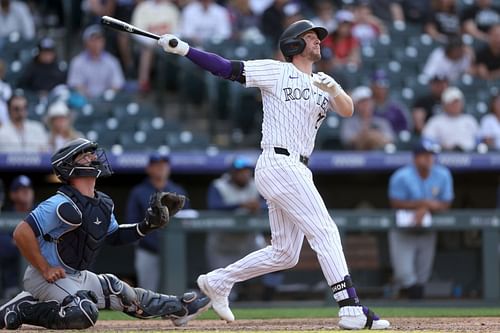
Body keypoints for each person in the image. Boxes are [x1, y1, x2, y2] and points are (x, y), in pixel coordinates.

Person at [156, 19, 391, 329]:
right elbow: (226, 68)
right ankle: (350, 308)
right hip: (279, 161)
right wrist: (186, 50)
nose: (318, 41)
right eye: (310, 37)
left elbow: (347, 110)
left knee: (285, 254)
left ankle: (219, 280)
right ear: (294, 44)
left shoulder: (323, 82)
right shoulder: (277, 70)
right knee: (325, 231)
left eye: (317, 37)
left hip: (297, 167)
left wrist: (334, 88)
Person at [0, 138, 210, 330]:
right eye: (85, 155)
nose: (93, 157)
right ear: (70, 167)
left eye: (92, 153)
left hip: (75, 275)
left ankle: (180, 308)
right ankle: (24, 309)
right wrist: (45, 268)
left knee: (119, 289)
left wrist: (147, 225)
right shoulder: (60, 203)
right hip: (46, 277)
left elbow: (114, 236)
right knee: (83, 312)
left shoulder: (102, 202)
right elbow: (21, 233)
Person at [206, 157, 280, 301]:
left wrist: (259, 206)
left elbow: (271, 203)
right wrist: (241, 205)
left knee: (277, 262)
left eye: (246, 171)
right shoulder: (219, 185)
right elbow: (214, 206)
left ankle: (267, 300)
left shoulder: (256, 185)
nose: (244, 175)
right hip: (223, 246)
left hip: (248, 242)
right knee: (224, 291)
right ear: (232, 173)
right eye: (239, 172)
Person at [388, 141, 454, 299]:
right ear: (416, 157)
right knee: (404, 274)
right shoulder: (402, 175)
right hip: (404, 229)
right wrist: (423, 204)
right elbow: (395, 202)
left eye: (431, 155)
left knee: (422, 276)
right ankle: (402, 304)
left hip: (427, 229)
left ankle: (416, 316)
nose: (429, 158)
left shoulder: (443, 174)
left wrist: (425, 208)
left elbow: (446, 203)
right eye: (425, 155)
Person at [126, 152, 188, 291]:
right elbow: (131, 221)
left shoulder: (177, 191)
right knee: (147, 292)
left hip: (174, 250)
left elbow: (187, 221)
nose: (161, 168)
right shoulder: (139, 191)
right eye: (156, 165)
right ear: (149, 168)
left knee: (174, 291)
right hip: (147, 249)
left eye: (164, 165)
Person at [67, 25, 125, 99]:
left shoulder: (112, 61)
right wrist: (90, 97)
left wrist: (105, 96)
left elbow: (117, 85)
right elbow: (75, 85)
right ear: (85, 43)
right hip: (84, 102)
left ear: (103, 42)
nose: (96, 43)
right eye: (92, 40)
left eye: (99, 39)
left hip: (106, 103)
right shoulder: (77, 62)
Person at [422, 87, 479, 152]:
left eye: (457, 102)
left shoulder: (470, 120)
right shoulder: (435, 121)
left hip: (471, 156)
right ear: (444, 104)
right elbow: (427, 142)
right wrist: (441, 147)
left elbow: (479, 141)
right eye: (452, 102)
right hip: (444, 155)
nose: (455, 105)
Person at [340, 86, 395, 150]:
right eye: (362, 102)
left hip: (379, 155)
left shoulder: (382, 122)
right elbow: (347, 139)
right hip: (356, 156)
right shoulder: (349, 122)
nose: (366, 105)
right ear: (356, 105)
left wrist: (373, 136)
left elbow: (390, 139)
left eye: (369, 101)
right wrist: (365, 136)